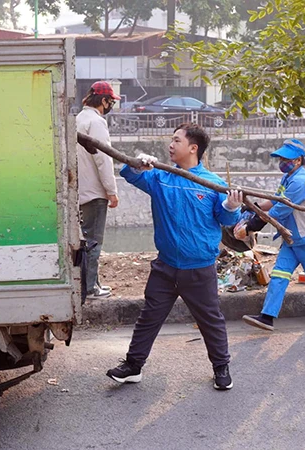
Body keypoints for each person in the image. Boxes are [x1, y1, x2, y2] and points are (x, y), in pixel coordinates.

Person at [105, 123, 243, 391]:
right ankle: (133, 366)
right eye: (171, 139)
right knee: (149, 316)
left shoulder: (213, 183)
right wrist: (138, 164)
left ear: (193, 148)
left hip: (199, 268)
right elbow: (130, 174)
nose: (170, 144)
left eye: (176, 140)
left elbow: (226, 219)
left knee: (210, 320)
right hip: (165, 266)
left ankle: (221, 368)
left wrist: (231, 206)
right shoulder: (160, 177)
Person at [239, 139, 305, 331]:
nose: (282, 162)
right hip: (292, 240)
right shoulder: (289, 177)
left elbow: (278, 212)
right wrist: (252, 208)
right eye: (281, 158)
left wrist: (250, 226)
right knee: (278, 275)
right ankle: (267, 317)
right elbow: (274, 201)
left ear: (298, 160)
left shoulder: (299, 182)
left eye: (286, 159)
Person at [76, 81, 120, 299]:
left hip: (80, 191)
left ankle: (91, 282)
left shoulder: (79, 119)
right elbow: (103, 159)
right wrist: (111, 191)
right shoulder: (97, 122)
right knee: (94, 240)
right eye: (110, 101)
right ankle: (90, 287)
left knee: (84, 239)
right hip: (95, 192)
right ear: (103, 101)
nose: (111, 105)